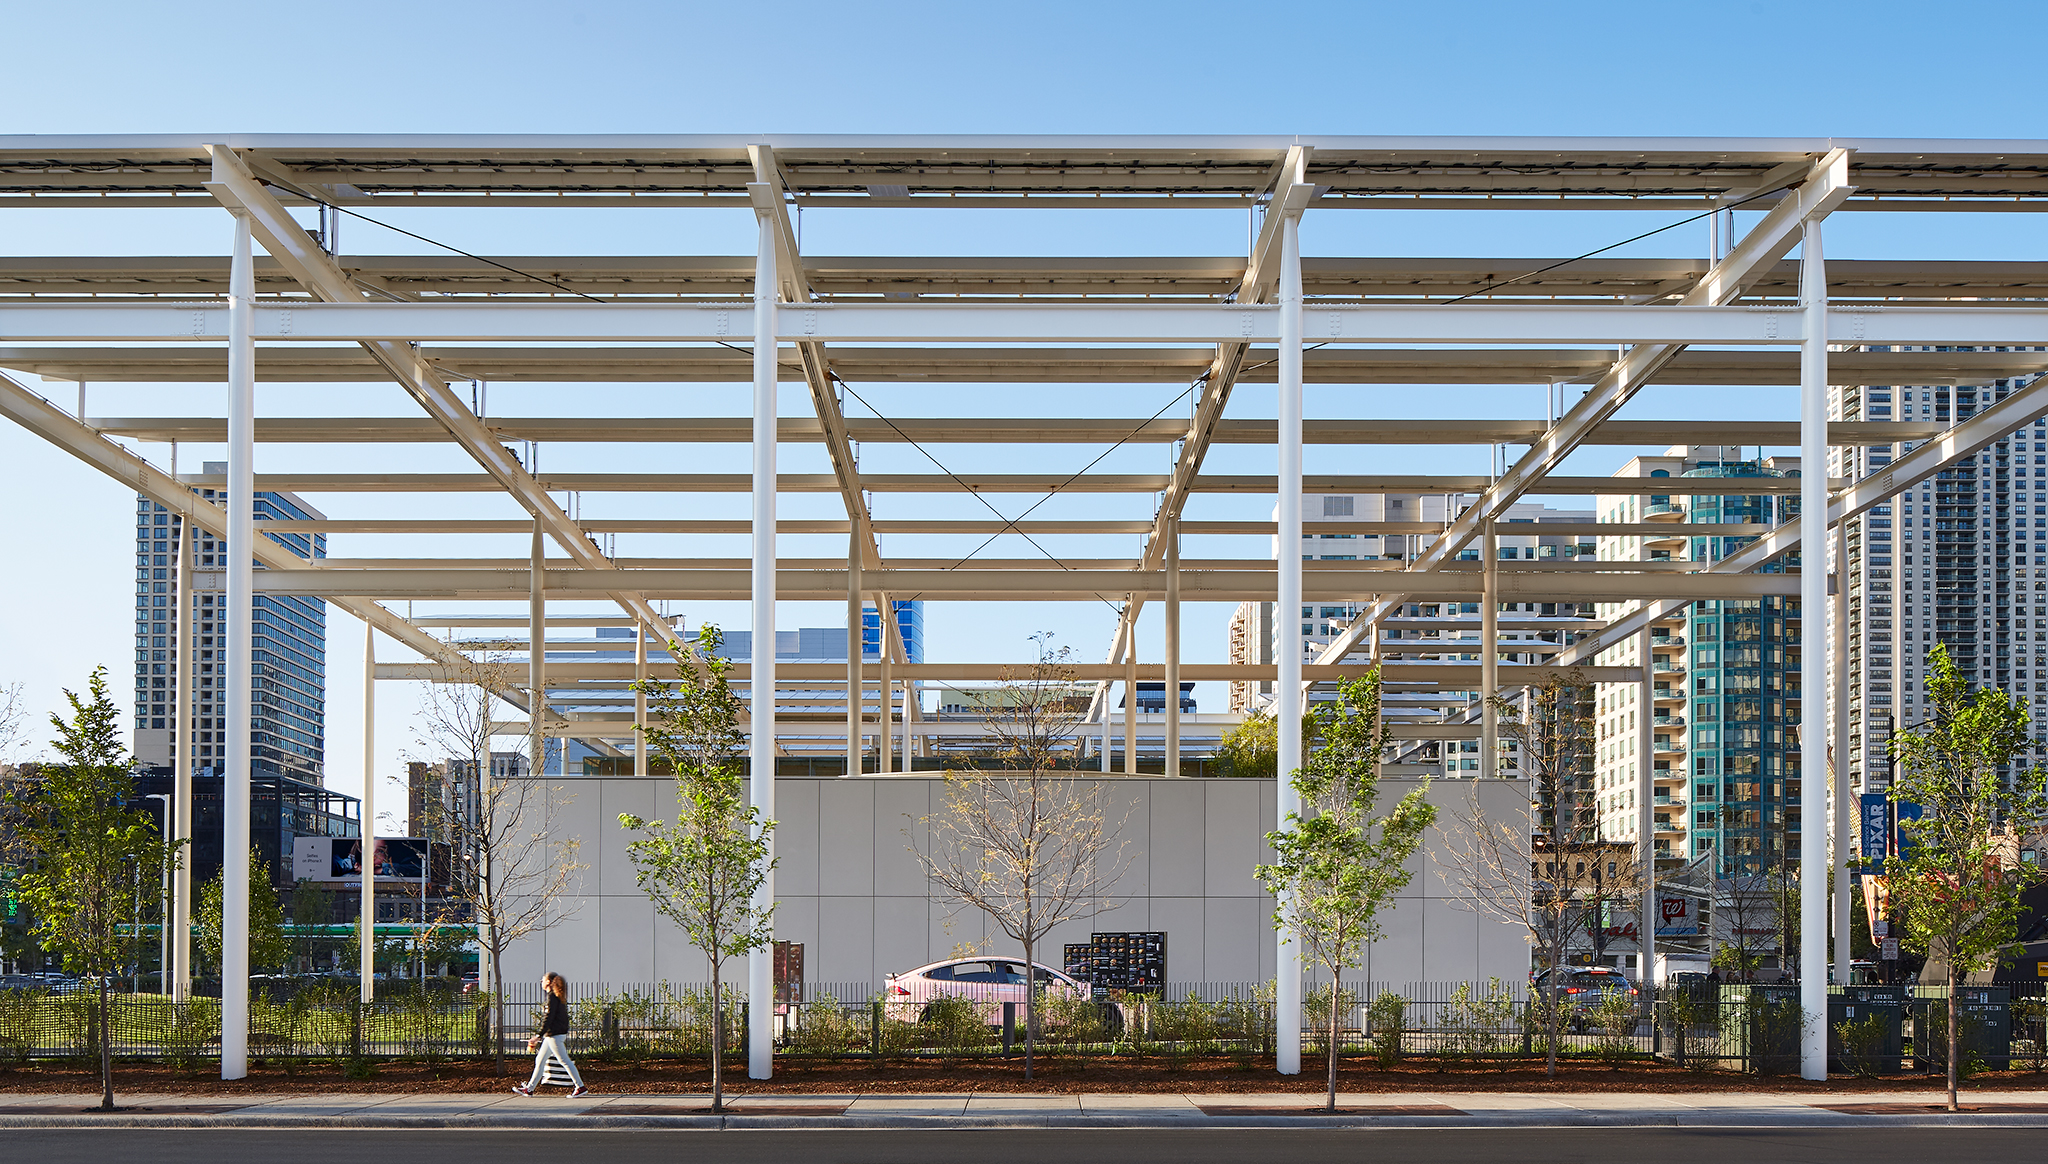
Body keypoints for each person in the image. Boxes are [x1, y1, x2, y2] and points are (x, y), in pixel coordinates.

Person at [513, 972, 588, 1098]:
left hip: (554, 1035)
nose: (541, 982)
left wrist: (538, 1035)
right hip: (553, 1035)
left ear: (548, 982)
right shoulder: (557, 996)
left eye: (542, 980)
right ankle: (529, 1089)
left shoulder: (552, 997)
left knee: (564, 1061)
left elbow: (549, 1018)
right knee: (540, 1060)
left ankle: (580, 1086)